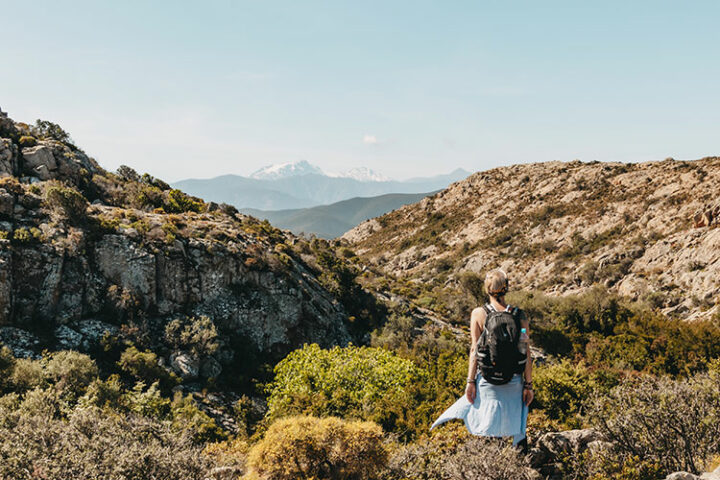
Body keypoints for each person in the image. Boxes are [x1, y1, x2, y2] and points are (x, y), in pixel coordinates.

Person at [430, 268, 533, 448]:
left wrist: (470, 381)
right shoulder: (520, 315)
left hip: (487, 381)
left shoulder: (478, 313)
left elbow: (474, 350)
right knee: (515, 431)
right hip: (514, 382)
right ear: (506, 288)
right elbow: (525, 349)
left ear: (487, 290)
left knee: (489, 432)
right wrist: (528, 385)